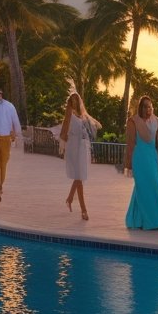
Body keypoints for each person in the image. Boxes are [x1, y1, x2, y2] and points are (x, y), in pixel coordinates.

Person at [124, 96, 158, 230]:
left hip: (152, 159)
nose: (148, 109)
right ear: (140, 108)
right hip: (139, 159)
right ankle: (152, 221)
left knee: (153, 187)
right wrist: (128, 165)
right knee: (143, 188)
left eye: (150, 106)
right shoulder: (132, 121)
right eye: (145, 106)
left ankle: (149, 220)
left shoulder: (157, 121)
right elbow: (130, 144)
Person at [59, 92, 99, 220]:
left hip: (83, 148)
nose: (76, 101)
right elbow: (63, 133)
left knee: (80, 177)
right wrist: (63, 149)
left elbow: (87, 132)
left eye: (77, 99)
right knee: (79, 177)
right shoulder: (69, 116)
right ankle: (83, 209)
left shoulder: (82, 116)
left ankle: (70, 199)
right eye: (73, 100)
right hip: (73, 148)